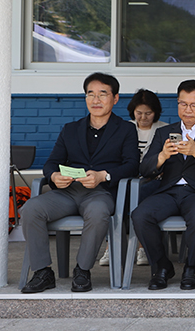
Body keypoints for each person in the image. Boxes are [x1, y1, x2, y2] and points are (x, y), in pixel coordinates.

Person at [21, 73, 139, 293]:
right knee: (31, 209)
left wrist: (104, 175)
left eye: (102, 94)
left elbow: (133, 165)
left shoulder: (126, 129)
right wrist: (54, 176)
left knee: (97, 212)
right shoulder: (71, 129)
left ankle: (83, 271)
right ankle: (42, 272)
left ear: (115, 98)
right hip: (66, 192)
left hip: (100, 192)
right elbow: (51, 163)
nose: (96, 100)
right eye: (90, 94)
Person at [131, 80, 195, 291]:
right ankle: (162, 267)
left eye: (194, 104)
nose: (188, 110)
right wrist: (162, 156)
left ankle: (191, 268)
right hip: (168, 191)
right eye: (182, 104)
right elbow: (145, 169)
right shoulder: (164, 132)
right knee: (140, 215)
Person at [98, 88, 166, 268]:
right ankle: (111, 246)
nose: (143, 118)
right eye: (139, 113)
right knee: (111, 196)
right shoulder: (123, 129)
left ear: (156, 113)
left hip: (153, 180)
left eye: (148, 113)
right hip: (126, 178)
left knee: (141, 194)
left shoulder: (165, 129)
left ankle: (142, 246)